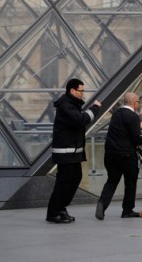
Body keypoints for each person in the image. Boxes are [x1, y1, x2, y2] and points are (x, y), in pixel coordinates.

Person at [46, 78, 101, 223]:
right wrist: (94, 108)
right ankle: (53, 212)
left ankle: (61, 208)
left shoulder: (72, 104)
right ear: (72, 90)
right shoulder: (65, 105)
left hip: (72, 151)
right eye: (81, 91)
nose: (83, 94)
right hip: (65, 152)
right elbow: (80, 120)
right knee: (64, 182)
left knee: (75, 178)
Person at [96, 92, 142, 220]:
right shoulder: (133, 116)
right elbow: (136, 138)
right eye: (139, 102)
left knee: (111, 181)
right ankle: (127, 210)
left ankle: (102, 203)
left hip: (110, 154)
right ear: (135, 103)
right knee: (130, 182)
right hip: (127, 155)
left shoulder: (116, 114)